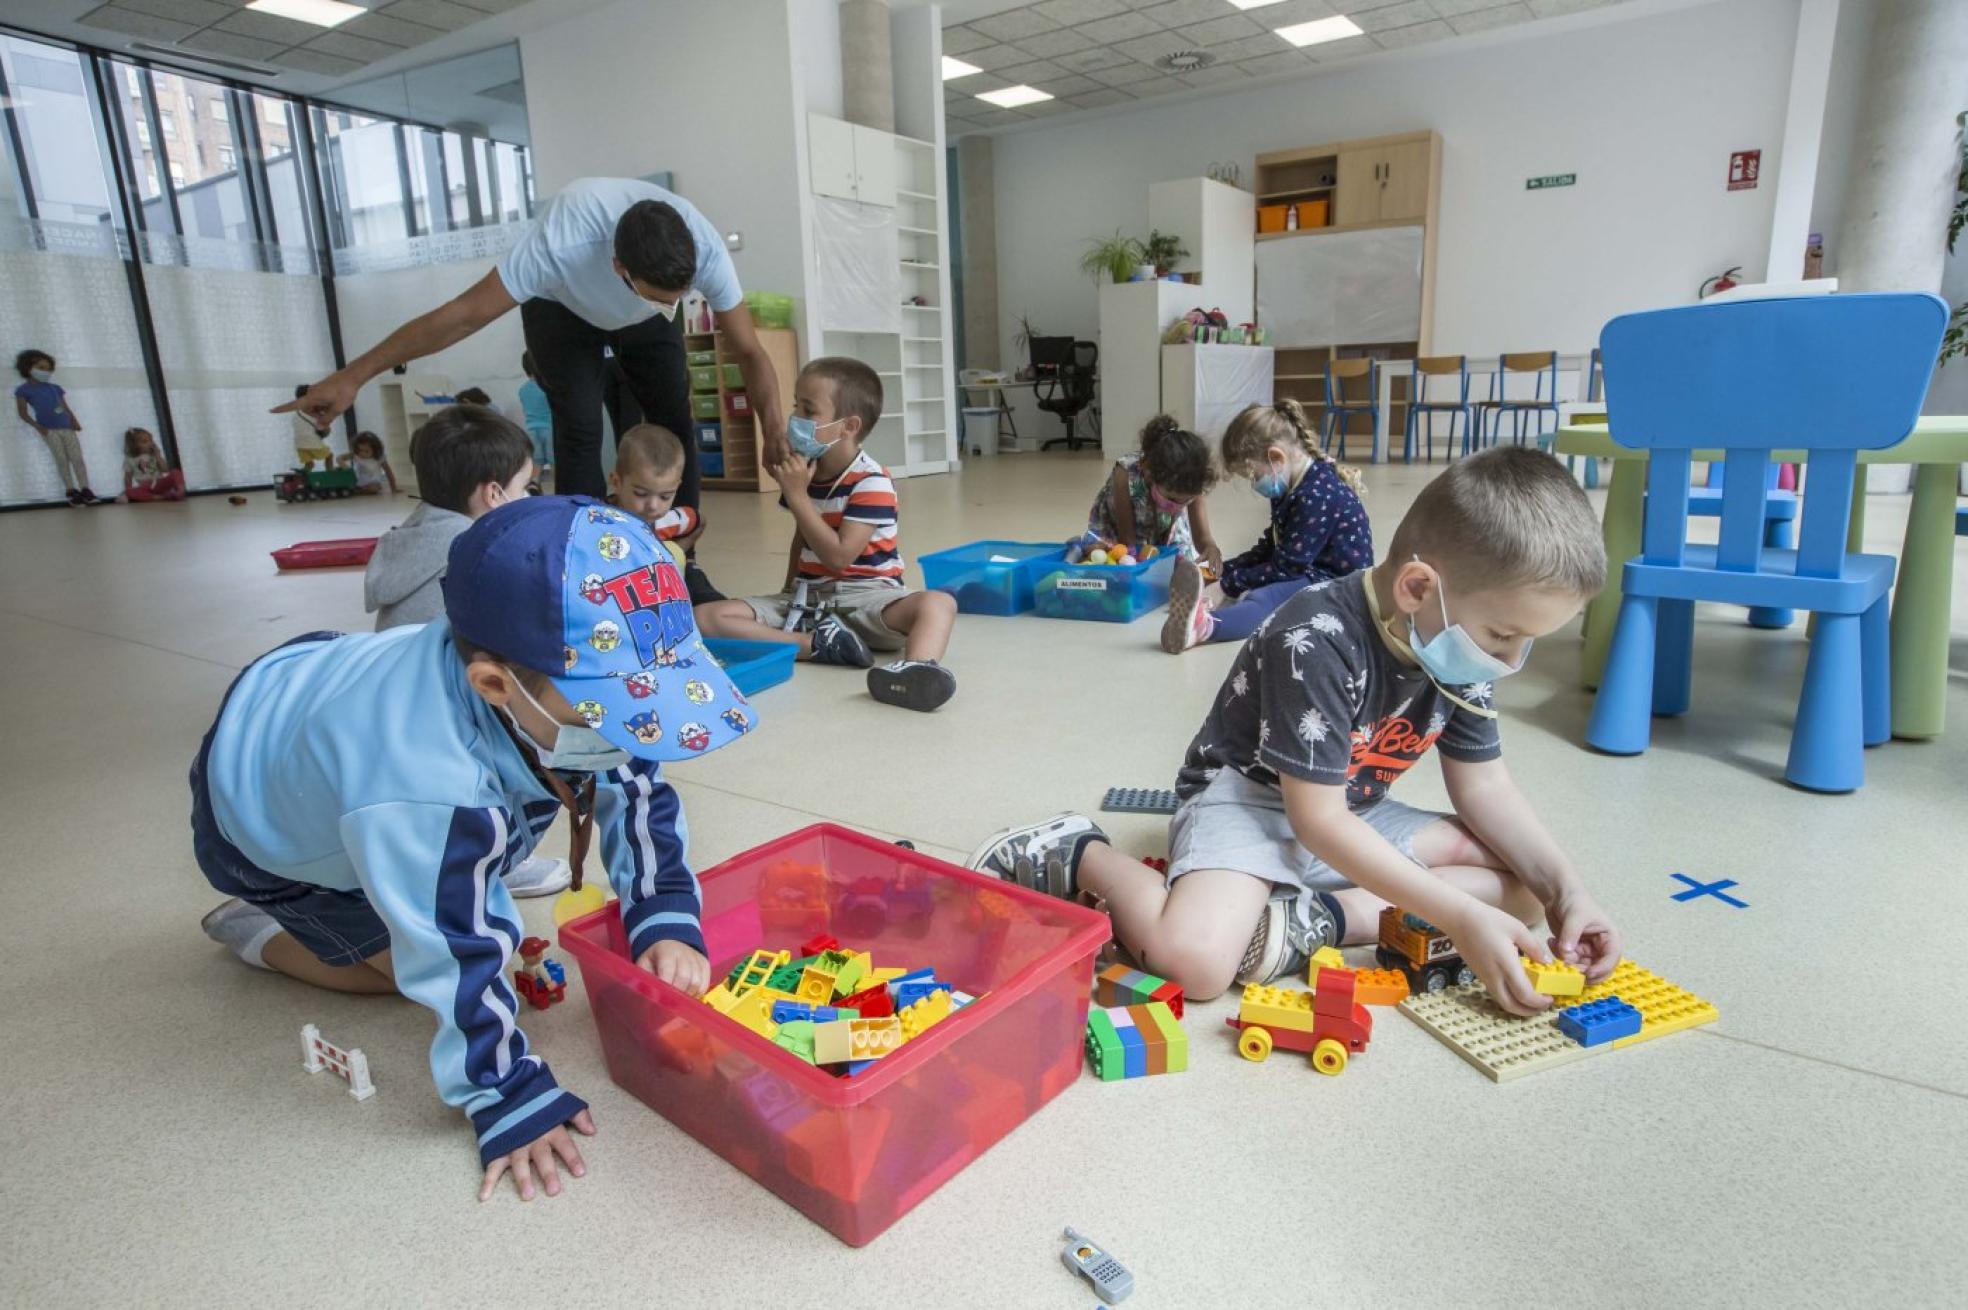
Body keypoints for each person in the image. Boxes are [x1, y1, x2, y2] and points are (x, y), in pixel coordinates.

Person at [194, 495, 755, 1201]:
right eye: (609, 712)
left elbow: (635, 791)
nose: (635, 730)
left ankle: (464, 866)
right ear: (495, 683)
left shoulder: (555, 696)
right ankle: (259, 931)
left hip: (307, 684)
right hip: (253, 814)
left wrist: (665, 910)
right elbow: (451, 953)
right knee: (398, 971)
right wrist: (505, 1092)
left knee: (474, 842)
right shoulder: (426, 786)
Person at [970, 447, 1622, 1017]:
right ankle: (1074, 850)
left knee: (1523, 895)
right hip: (1251, 802)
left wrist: (1569, 894)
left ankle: (1317, 919)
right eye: (1504, 636)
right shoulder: (1313, 637)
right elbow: (1317, 824)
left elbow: (1485, 787)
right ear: (1420, 588)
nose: (1508, 662)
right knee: (1194, 963)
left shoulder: (1458, 644)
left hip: (1351, 807)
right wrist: (1457, 916)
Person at [276, 177, 788, 560]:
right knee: (581, 424)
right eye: (659, 298)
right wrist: (354, 375)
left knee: (675, 420)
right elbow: (458, 317)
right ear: (618, 268)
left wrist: (774, 431)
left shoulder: (702, 252)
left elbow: (750, 352)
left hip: (638, 317)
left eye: (677, 300)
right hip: (560, 309)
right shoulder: (557, 246)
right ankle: (587, 562)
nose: (670, 308)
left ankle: (679, 556)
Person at [694, 357, 959, 712]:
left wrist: (797, 495)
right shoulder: (805, 472)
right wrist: (788, 590)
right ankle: (815, 645)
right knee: (706, 617)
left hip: (869, 598)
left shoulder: (872, 481)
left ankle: (917, 668)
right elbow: (801, 537)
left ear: (848, 426)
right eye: (795, 405)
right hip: (810, 602)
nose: (795, 419)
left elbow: (838, 557)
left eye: (808, 410)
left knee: (938, 603)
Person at [1162, 400, 1372, 655]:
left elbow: (1287, 566)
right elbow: (1270, 548)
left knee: (1263, 599)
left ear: (1276, 458)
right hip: (1306, 568)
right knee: (1246, 584)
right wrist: (1223, 571)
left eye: (1253, 475)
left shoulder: (1315, 496)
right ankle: (1202, 589)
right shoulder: (1290, 485)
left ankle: (1203, 628)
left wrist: (1228, 585)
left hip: (1337, 586)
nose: (1254, 484)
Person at [364, 406, 532, 631]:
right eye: (523, 487)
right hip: (445, 664)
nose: (526, 497)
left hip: (397, 660)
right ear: (493, 494)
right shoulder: (480, 551)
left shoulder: (412, 530)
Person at [1081, 414, 1221, 568]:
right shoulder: (1125, 474)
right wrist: (1136, 561)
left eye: (1186, 501)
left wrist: (1210, 548)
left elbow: (1203, 537)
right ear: (1149, 474)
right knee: (1106, 557)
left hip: (1164, 526)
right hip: (1120, 530)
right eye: (1173, 499)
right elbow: (1127, 541)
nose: (1179, 507)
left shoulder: (1193, 479)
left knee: (1180, 563)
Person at [14, 349, 100, 505]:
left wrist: (74, 420)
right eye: (41, 367)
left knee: (77, 458)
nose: (45, 372)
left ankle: (86, 488)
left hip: (67, 427)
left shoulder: (54, 388)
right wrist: (38, 427)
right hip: (49, 430)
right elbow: (23, 413)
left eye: (48, 369)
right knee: (61, 459)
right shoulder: (23, 390)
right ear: (28, 368)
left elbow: (64, 406)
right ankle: (71, 490)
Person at [609, 423, 701, 546]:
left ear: (677, 487)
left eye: (665, 497)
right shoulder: (595, 522)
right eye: (641, 494)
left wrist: (678, 555)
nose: (653, 506)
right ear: (617, 483)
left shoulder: (667, 521)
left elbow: (699, 521)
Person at [119, 427, 185, 502]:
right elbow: (128, 478)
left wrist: (158, 456)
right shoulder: (129, 460)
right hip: (146, 487)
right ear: (134, 445)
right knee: (129, 491)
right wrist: (128, 493)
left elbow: (165, 469)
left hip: (160, 483)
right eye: (145, 441)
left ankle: (180, 491)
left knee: (176, 472)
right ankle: (162, 497)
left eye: (151, 440)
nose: (150, 443)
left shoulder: (153, 455)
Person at [517, 351, 554, 479]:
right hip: (549, 429)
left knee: (535, 464)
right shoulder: (548, 387)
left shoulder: (523, 390)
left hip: (530, 430)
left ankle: (534, 489)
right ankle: (558, 492)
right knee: (554, 462)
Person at [290, 383, 337, 472]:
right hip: (311, 441)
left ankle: (304, 477)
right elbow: (323, 427)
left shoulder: (297, 413)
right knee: (329, 456)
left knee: (309, 464)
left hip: (299, 444)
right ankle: (330, 472)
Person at [346, 431, 398, 496]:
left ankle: (358, 491)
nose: (362, 453)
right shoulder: (356, 455)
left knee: (375, 488)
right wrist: (343, 464)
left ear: (375, 450)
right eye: (359, 450)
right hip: (359, 481)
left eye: (366, 451)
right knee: (351, 485)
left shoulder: (379, 458)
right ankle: (359, 489)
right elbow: (339, 458)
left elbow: (388, 472)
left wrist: (394, 488)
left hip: (373, 482)